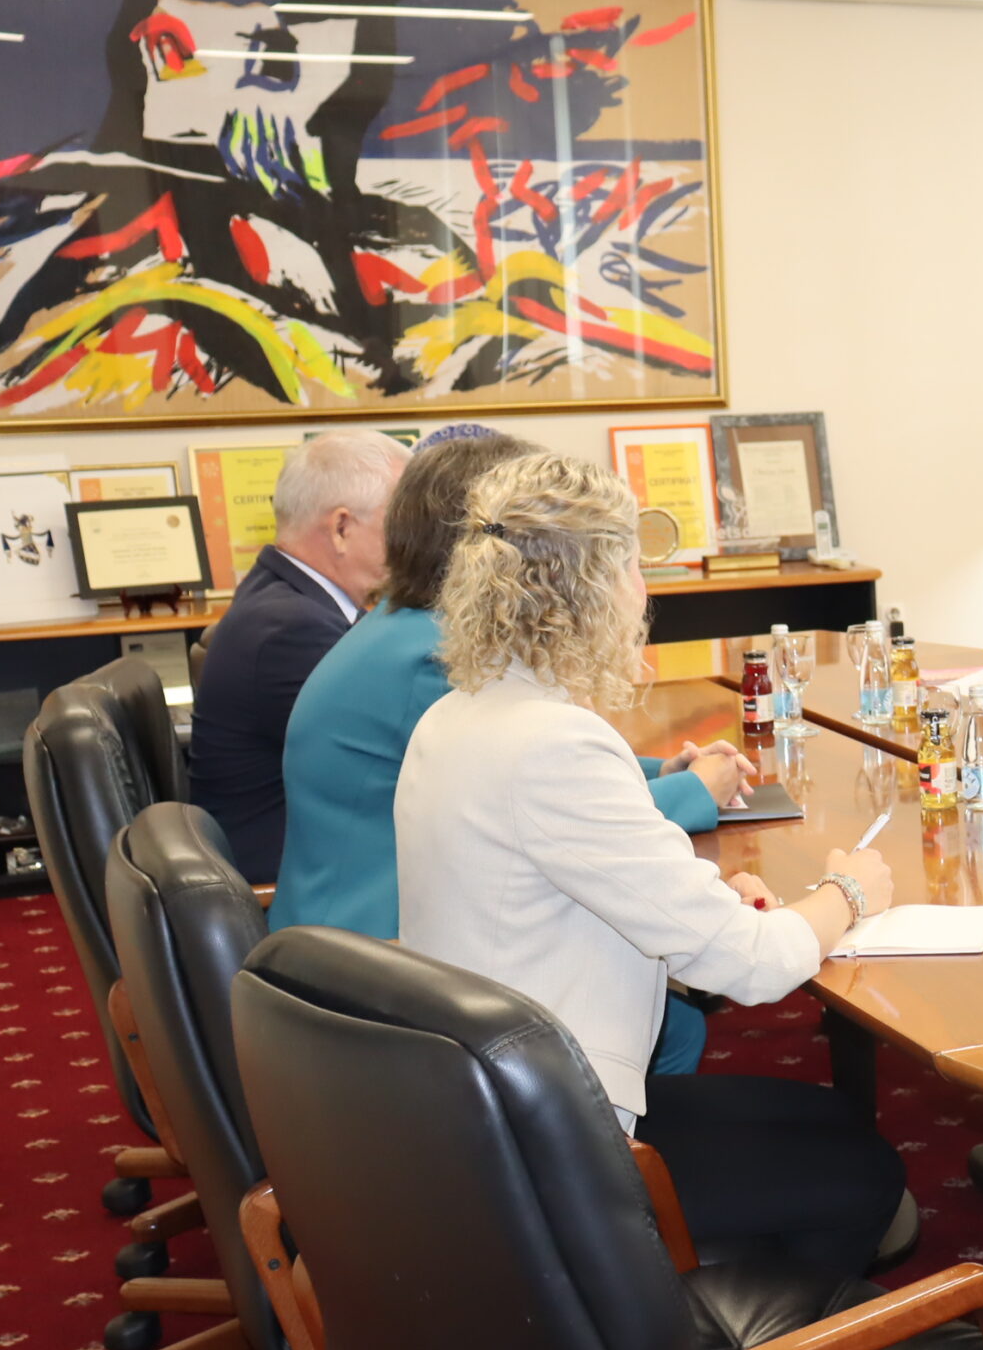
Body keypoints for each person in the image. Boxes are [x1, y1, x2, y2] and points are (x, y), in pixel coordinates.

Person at [394, 452, 903, 1273]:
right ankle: (685, 1333)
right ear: (592, 588)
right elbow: (752, 967)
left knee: (833, 1121)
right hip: (558, 1146)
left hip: (486, 1105)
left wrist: (707, 900)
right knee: (865, 1171)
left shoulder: (460, 714)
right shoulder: (556, 744)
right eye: (633, 567)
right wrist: (850, 891)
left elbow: (559, 894)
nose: (644, 591)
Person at [270, 430, 755, 1076]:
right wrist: (697, 790)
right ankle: (599, 1140)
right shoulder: (433, 656)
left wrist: (656, 771)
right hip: (369, 956)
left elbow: (530, 771)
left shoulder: (400, 628)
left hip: (340, 935)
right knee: (667, 1015)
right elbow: (556, 799)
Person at [189, 429, 408, 881]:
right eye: (403, 522)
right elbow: (395, 765)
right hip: (299, 883)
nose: (413, 542)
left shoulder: (282, 597)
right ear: (342, 528)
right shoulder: (293, 630)